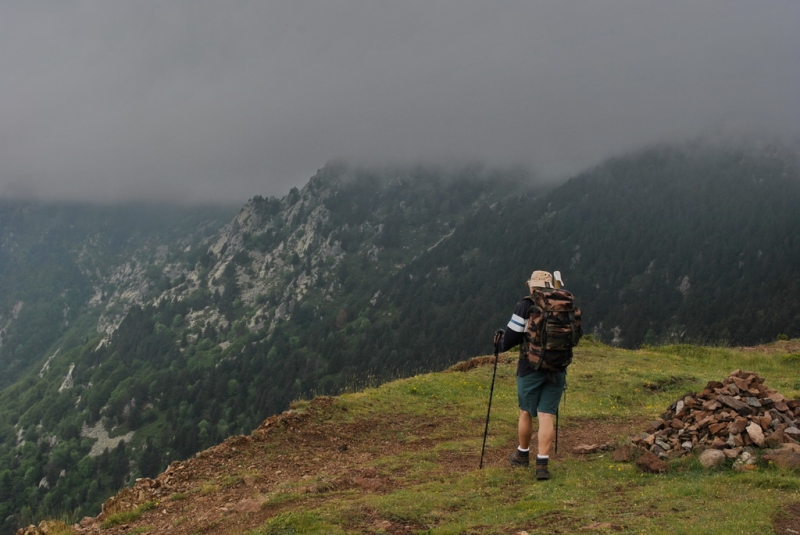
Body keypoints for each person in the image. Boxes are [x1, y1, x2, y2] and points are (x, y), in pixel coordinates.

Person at [493, 270, 572, 481]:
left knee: (526, 412)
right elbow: (576, 335)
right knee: (547, 415)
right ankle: (542, 465)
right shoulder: (564, 302)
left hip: (530, 367)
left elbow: (511, 337)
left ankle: (522, 454)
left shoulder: (526, 305)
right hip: (557, 367)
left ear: (532, 286)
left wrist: (499, 344)